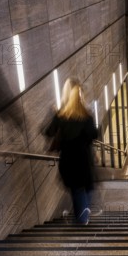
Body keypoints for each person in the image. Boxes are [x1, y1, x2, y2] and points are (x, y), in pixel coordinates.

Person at [45, 82, 98, 225]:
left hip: (68, 160)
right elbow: (94, 134)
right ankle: (84, 213)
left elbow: (48, 132)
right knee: (85, 186)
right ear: (81, 97)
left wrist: (54, 114)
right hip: (84, 159)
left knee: (76, 188)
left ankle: (82, 217)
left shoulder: (60, 115)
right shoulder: (87, 116)